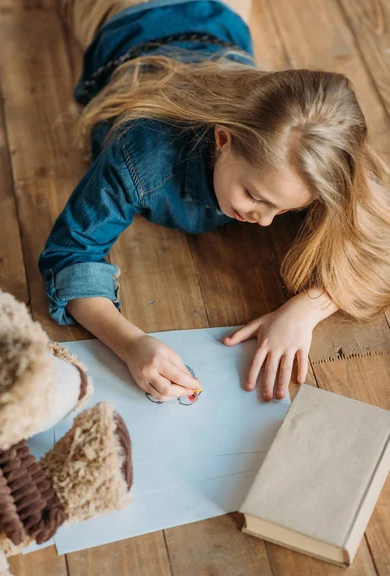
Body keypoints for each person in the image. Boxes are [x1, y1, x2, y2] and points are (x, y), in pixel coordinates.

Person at [39, 0, 390, 404]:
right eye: (254, 196)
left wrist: (304, 312)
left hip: (217, 17)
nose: (263, 222)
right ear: (223, 139)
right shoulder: (142, 151)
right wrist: (130, 343)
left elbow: (378, 239)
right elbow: (69, 255)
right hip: (127, 15)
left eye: (287, 209)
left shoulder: (317, 144)